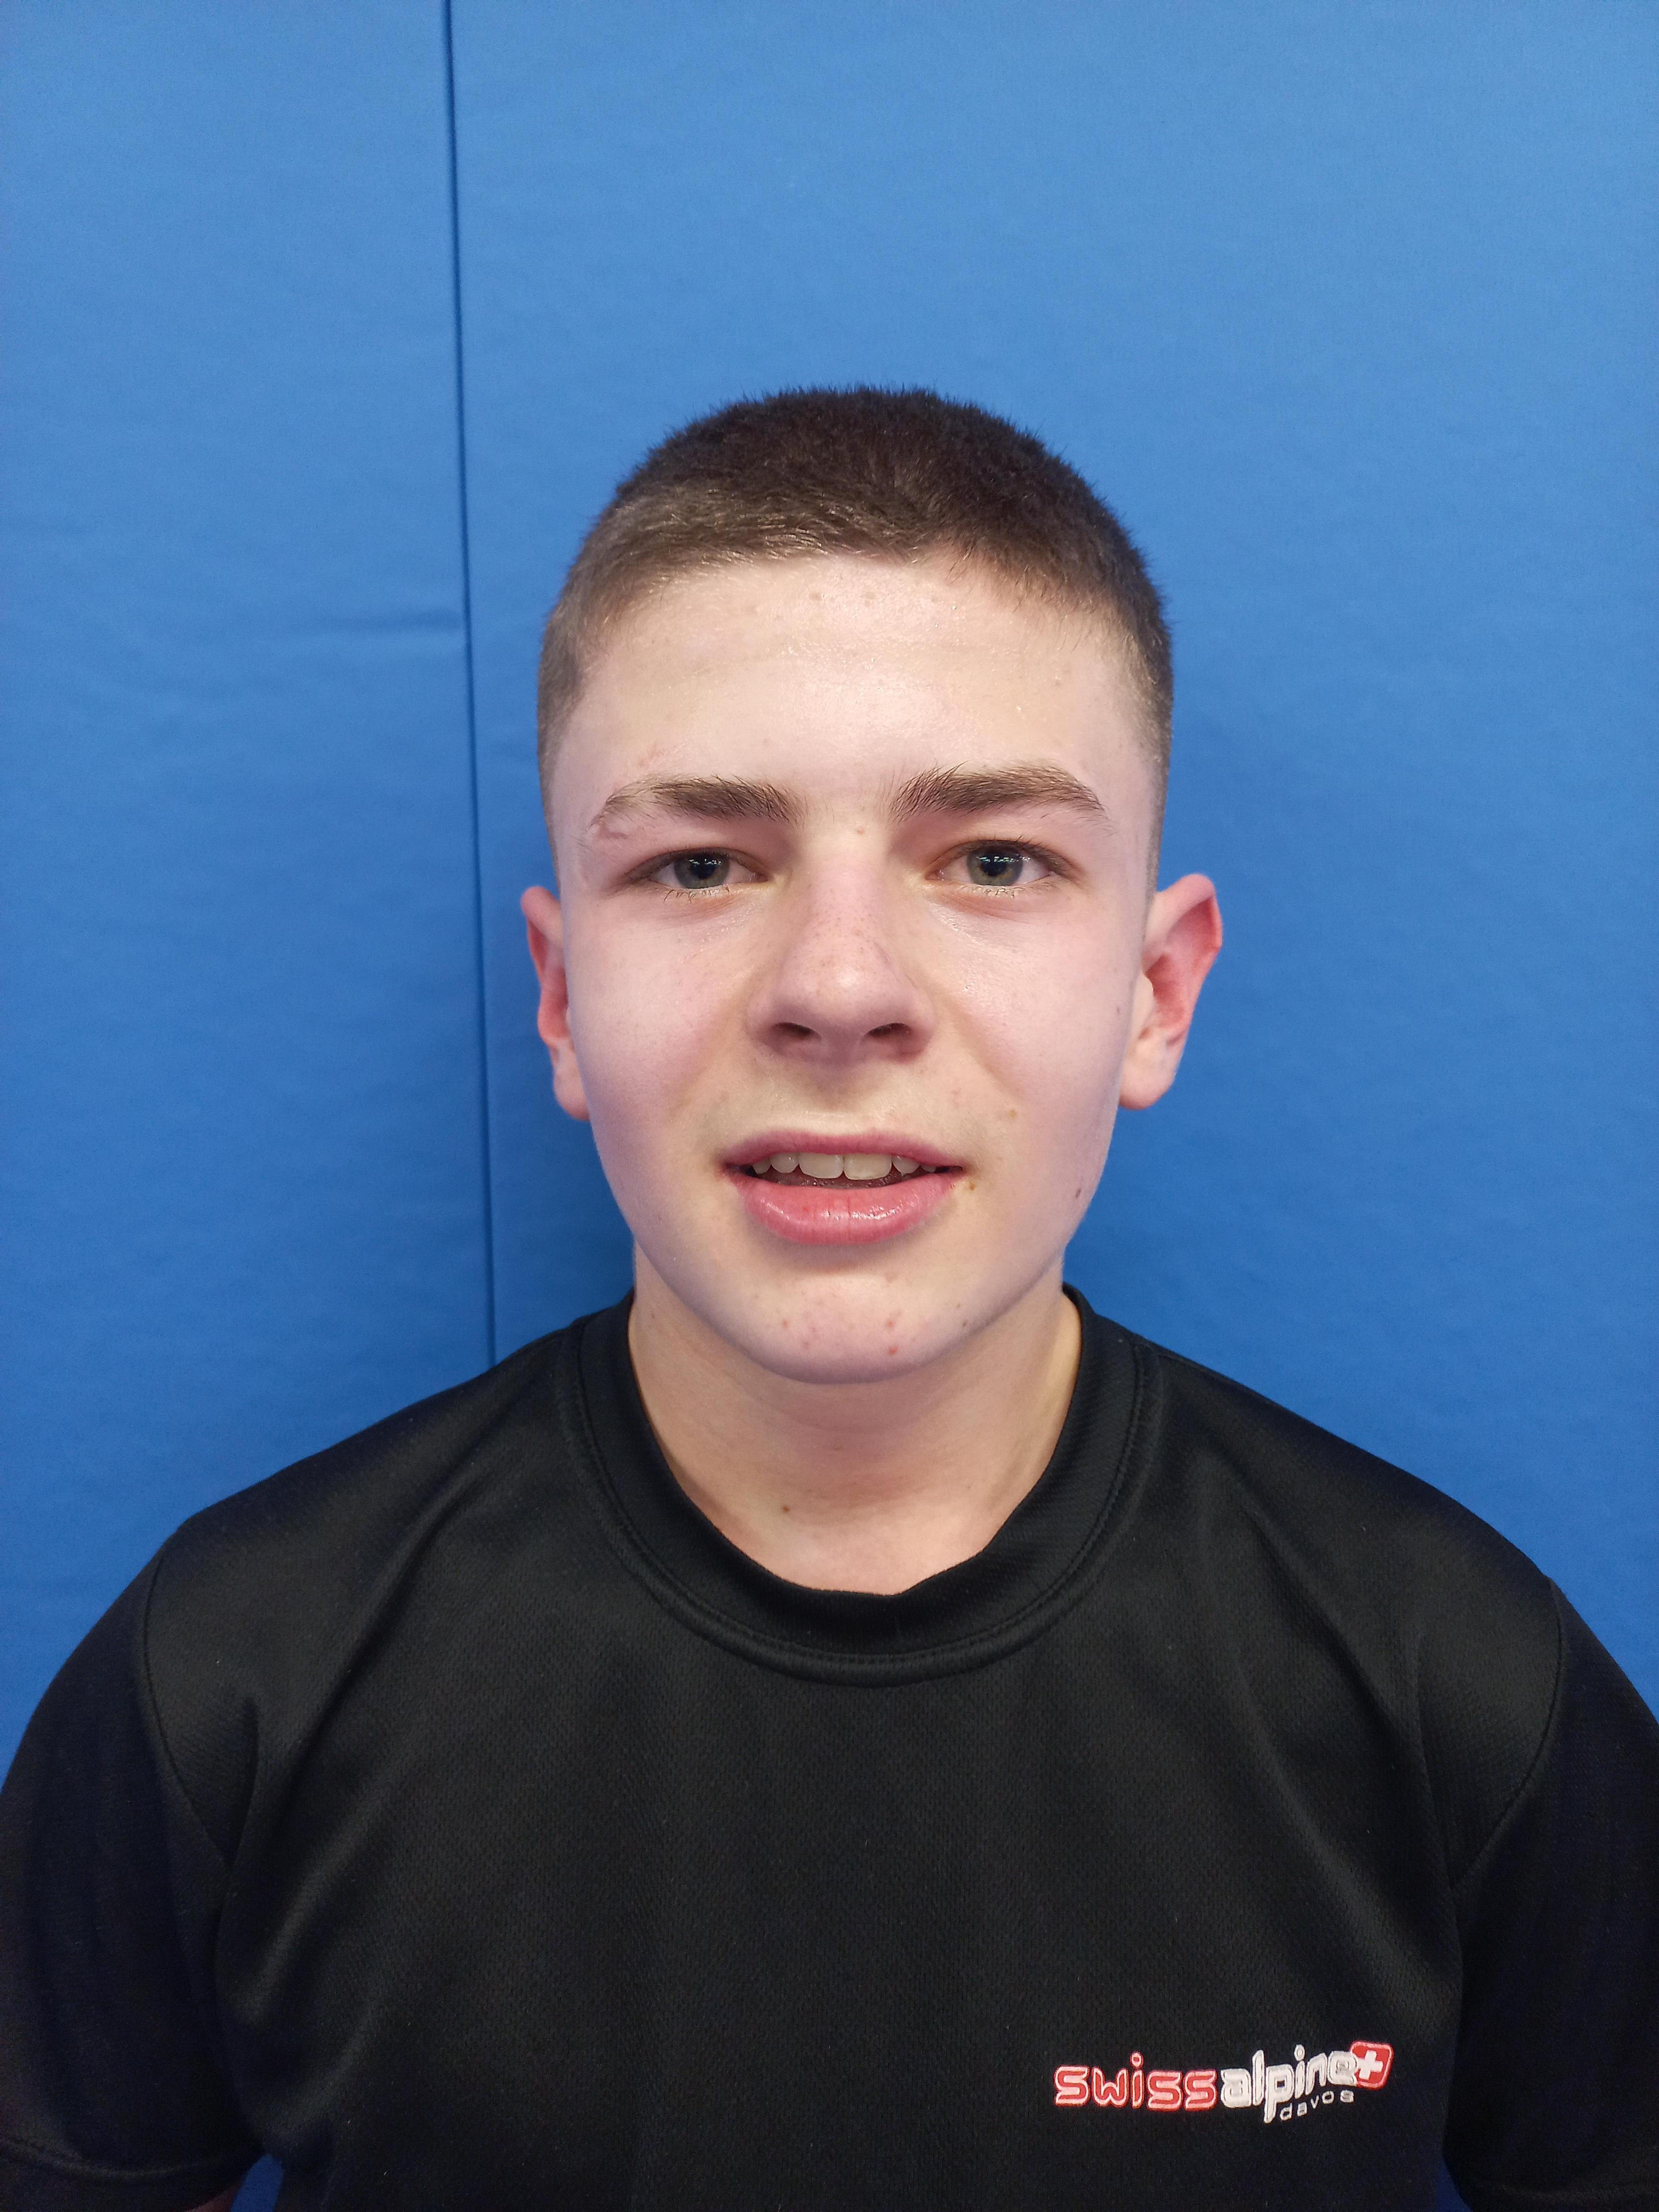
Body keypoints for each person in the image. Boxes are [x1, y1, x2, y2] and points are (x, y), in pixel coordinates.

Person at [1, 388, 1655, 2212]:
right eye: (701, 865)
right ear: (561, 998)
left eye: (994, 861)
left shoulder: (1458, 1688)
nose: (842, 988)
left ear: (1156, 994)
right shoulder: (231, 1681)